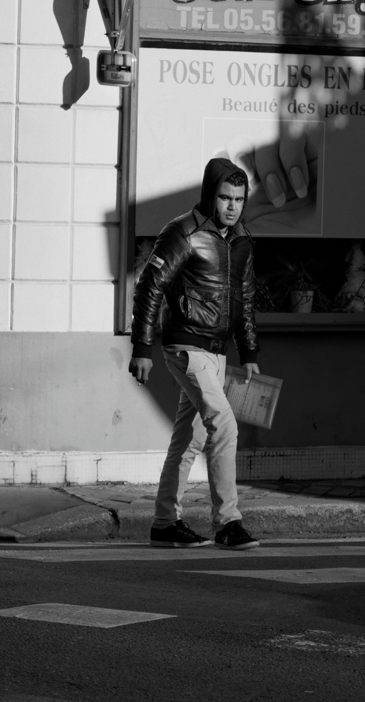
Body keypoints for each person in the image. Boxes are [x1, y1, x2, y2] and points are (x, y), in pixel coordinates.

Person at [128, 157, 262, 550]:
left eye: (238, 198)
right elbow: (149, 288)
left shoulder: (241, 240)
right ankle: (228, 523)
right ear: (210, 195)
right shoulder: (182, 233)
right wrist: (142, 348)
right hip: (186, 346)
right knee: (225, 424)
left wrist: (249, 351)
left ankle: (164, 524)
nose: (232, 206)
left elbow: (246, 298)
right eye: (224, 197)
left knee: (189, 439)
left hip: (217, 355)